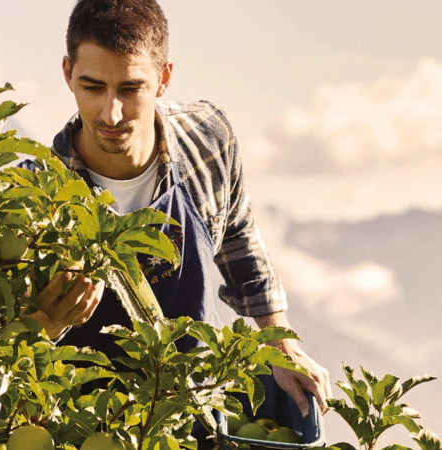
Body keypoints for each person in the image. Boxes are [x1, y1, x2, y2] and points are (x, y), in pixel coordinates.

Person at [21, 0, 332, 441]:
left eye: (131, 89)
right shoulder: (35, 197)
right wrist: (47, 324)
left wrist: (280, 343)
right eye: (92, 87)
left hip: (199, 412)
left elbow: (238, 237)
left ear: (163, 78)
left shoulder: (207, 140)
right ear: (68, 73)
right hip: (86, 429)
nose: (111, 113)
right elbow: (3, 352)